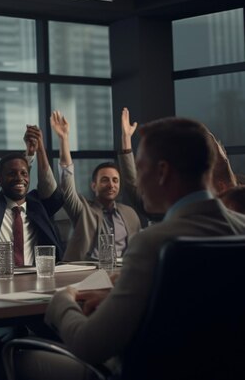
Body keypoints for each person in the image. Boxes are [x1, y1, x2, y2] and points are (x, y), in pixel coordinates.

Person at [44, 116, 245, 377]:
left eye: (140, 168)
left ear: (162, 172)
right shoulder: (241, 228)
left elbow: (89, 345)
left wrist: (62, 299)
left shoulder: (153, 243)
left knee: (15, 355)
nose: (135, 182)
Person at [50, 110, 141, 262]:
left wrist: (126, 138)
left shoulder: (129, 214)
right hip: (86, 272)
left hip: (123, 272)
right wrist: (63, 139)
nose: (111, 184)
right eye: (105, 180)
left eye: (115, 180)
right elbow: (67, 186)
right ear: (94, 185)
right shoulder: (84, 210)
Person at [0, 125, 65, 265]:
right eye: (11, 174)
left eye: (24, 174)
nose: (19, 178)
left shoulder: (37, 207)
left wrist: (39, 148)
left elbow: (49, 187)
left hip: (36, 279)